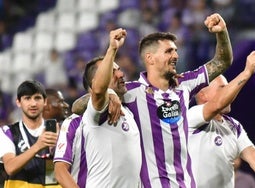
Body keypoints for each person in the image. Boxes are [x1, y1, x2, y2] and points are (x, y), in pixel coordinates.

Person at [71, 13, 233, 187]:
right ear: (150, 58)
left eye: (176, 50)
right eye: (169, 51)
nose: (176, 56)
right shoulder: (130, 92)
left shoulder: (184, 83)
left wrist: (221, 32)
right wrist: (110, 93)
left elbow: (222, 61)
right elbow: (77, 107)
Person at [53, 28, 141, 188]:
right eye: (113, 72)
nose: (121, 75)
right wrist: (112, 48)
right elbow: (60, 171)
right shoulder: (76, 122)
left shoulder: (127, 111)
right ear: (97, 81)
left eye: (120, 70)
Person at [188, 51, 255, 188]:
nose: (230, 92)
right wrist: (246, 72)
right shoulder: (191, 117)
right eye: (222, 89)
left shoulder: (233, 126)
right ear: (203, 95)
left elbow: (254, 157)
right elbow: (216, 104)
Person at [0, 80, 60, 188]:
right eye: (27, 98)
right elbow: (10, 168)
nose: (33, 104)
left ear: (45, 101)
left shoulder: (58, 130)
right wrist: (38, 146)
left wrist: (55, 151)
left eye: (37, 98)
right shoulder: (7, 132)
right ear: (18, 102)